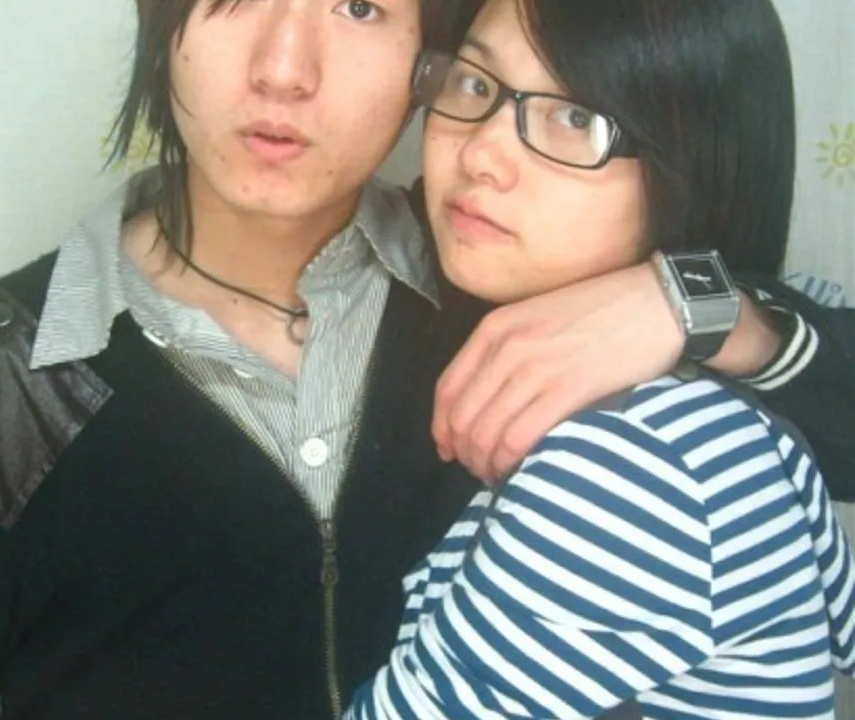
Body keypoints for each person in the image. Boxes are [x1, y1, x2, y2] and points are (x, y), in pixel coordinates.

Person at [0, 0, 851, 718]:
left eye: (359, 5)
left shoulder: (491, 278)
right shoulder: (13, 380)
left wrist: (690, 304)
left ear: (424, 56)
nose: (283, 68)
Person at [346, 0, 855, 718]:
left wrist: (687, 300)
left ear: (700, 163)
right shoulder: (402, 268)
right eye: (474, 82)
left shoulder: (637, 464)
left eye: (577, 117)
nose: (481, 153)